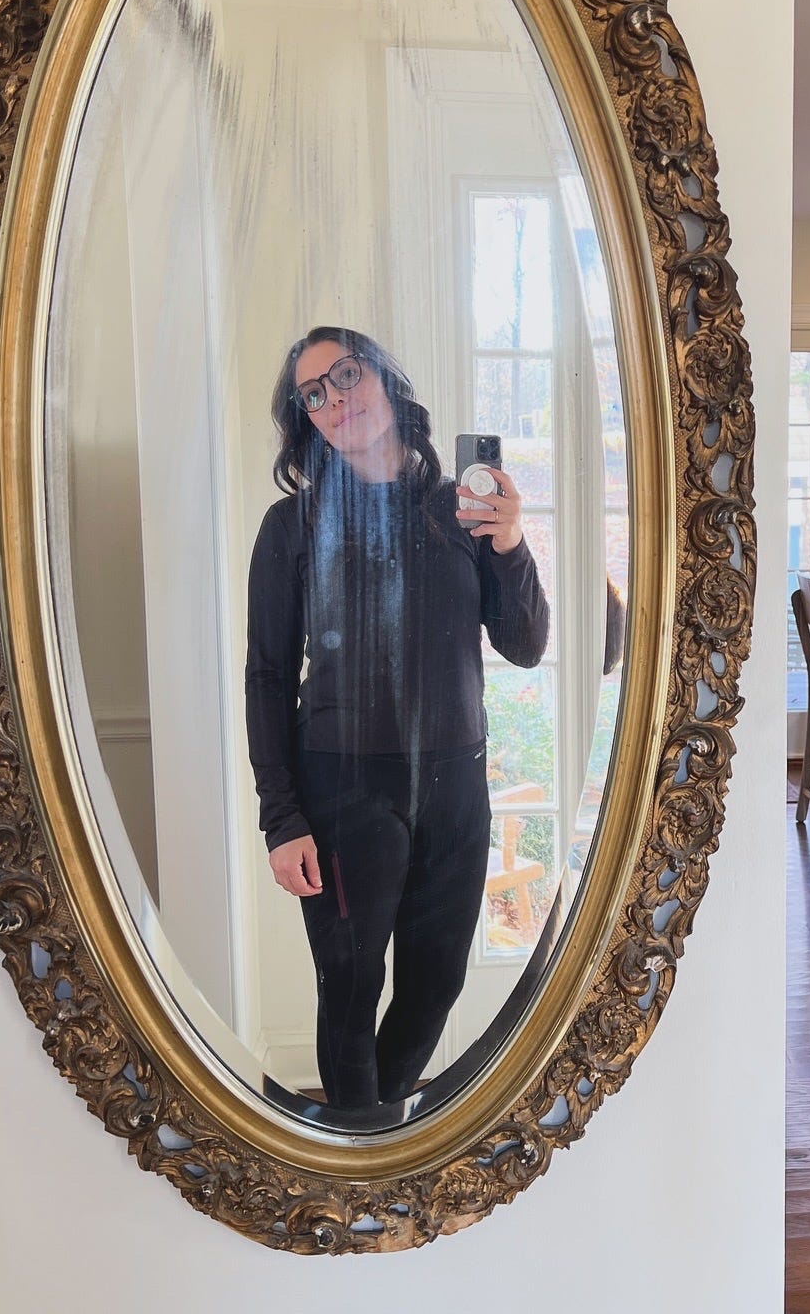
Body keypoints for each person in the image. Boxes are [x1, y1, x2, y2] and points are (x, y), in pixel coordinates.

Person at [244, 326, 549, 1111]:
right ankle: (365, 1156)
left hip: (456, 788)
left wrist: (510, 541)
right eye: (314, 393)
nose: (335, 399)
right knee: (349, 987)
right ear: (305, 418)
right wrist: (281, 818)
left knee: (436, 984)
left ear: (384, 377)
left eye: (346, 375)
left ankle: (367, 1137)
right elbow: (270, 676)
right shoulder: (292, 528)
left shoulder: (462, 512)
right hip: (343, 792)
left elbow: (525, 643)